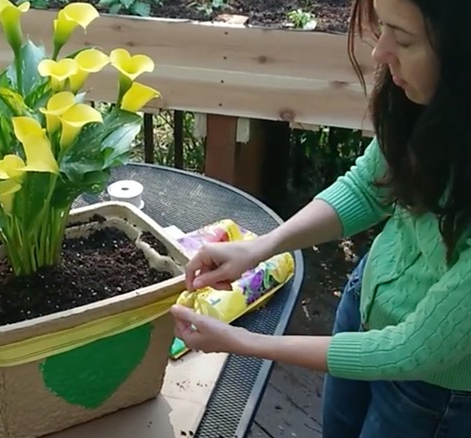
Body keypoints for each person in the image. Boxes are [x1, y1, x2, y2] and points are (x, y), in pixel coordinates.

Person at [169, 0, 471, 436]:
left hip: (432, 391)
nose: (379, 53)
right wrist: (260, 247)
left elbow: (411, 350)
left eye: (403, 38)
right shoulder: (431, 102)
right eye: (381, 28)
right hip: (364, 308)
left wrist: (241, 342)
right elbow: (368, 186)